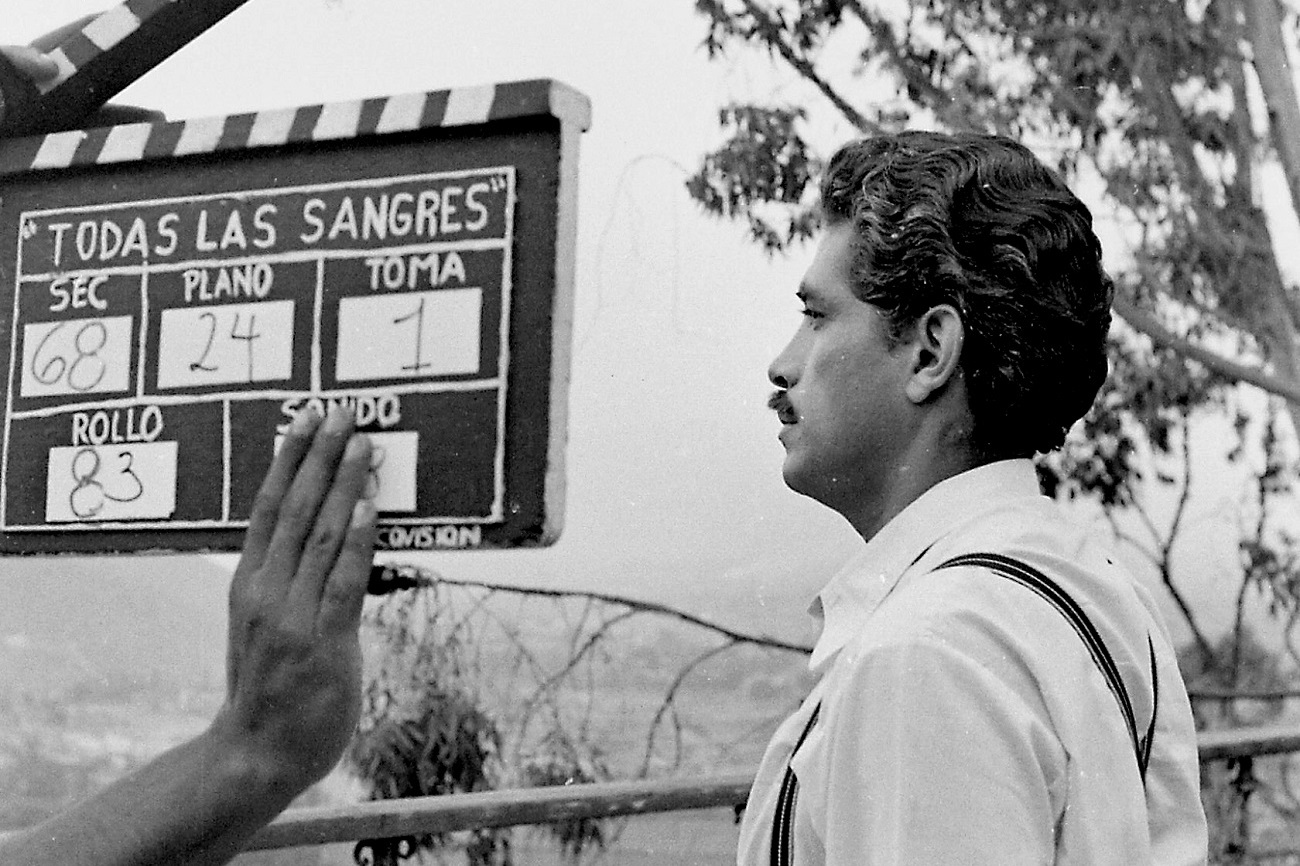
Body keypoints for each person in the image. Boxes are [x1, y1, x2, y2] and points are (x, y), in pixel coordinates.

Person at [739, 131, 1208, 865]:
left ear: (931, 352)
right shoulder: (1092, 588)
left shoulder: (927, 648)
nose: (782, 364)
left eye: (817, 315)